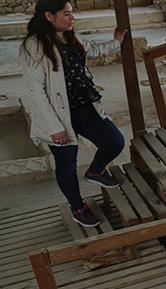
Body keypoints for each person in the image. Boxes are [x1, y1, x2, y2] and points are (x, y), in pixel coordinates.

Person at [20, 0, 126, 228]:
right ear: (49, 15)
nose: (72, 18)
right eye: (66, 14)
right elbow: (36, 91)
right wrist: (54, 127)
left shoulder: (70, 36)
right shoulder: (34, 46)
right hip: (58, 115)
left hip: (84, 107)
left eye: (72, 13)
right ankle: (78, 207)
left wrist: (116, 41)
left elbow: (93, 51)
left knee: (115, 141)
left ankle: (95, 171)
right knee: (67, 163)